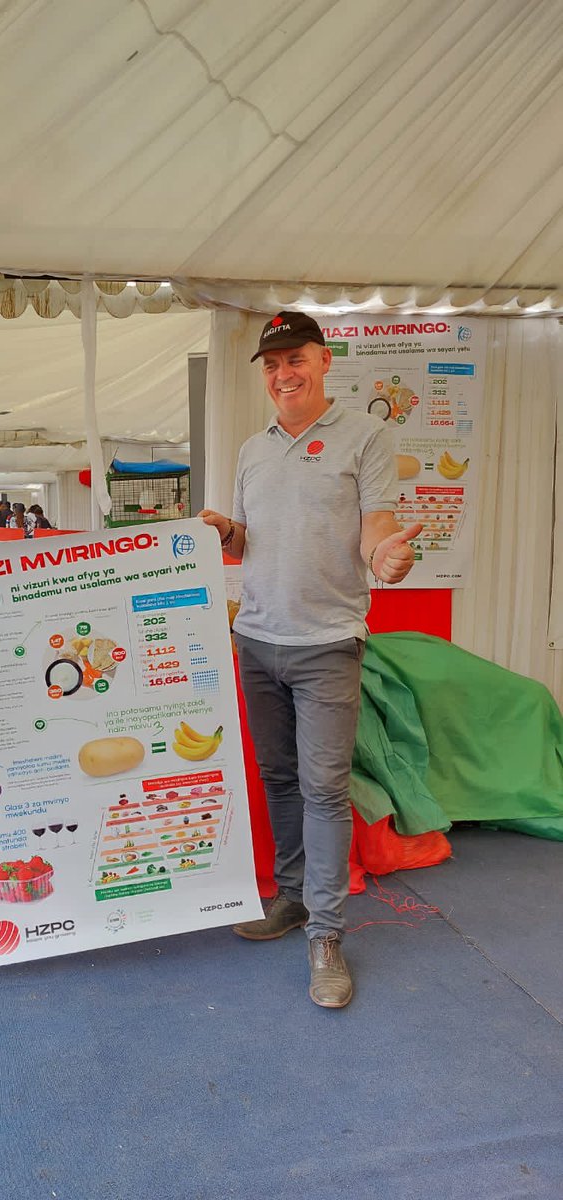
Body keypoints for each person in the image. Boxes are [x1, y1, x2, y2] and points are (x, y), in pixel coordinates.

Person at [200, 310, 421, 1010]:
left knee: (324, 790)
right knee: (279, 777)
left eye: (294, 359)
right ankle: (292, 899)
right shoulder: (252, 449)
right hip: (256, 639)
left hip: (327, 643)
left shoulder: (366, 436)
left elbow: (376, 526)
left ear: (324, 361)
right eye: (271, 365)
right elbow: (246, 543)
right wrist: (222, 530)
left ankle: (326, 936)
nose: (283, 375)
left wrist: (384, 556)